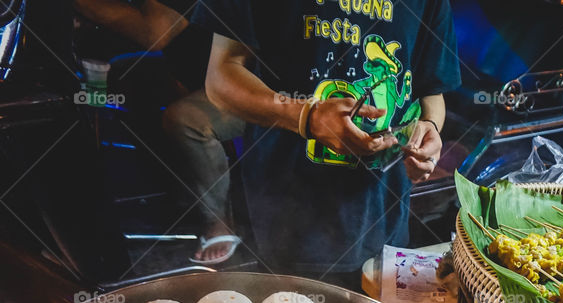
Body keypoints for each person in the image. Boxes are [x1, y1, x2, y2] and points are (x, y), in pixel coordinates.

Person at [192, 0, 460, 281]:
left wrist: (429, 129)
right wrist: (307, 116)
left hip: (385, 219)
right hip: (285, 220)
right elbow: (221, 75)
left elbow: (431, 93)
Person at [72, 0, 246, 264]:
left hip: (257, 84)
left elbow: (159, 31)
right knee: (123, 83)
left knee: (184, 119)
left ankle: (219, 219)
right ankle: (100, 210)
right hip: (194, 72)